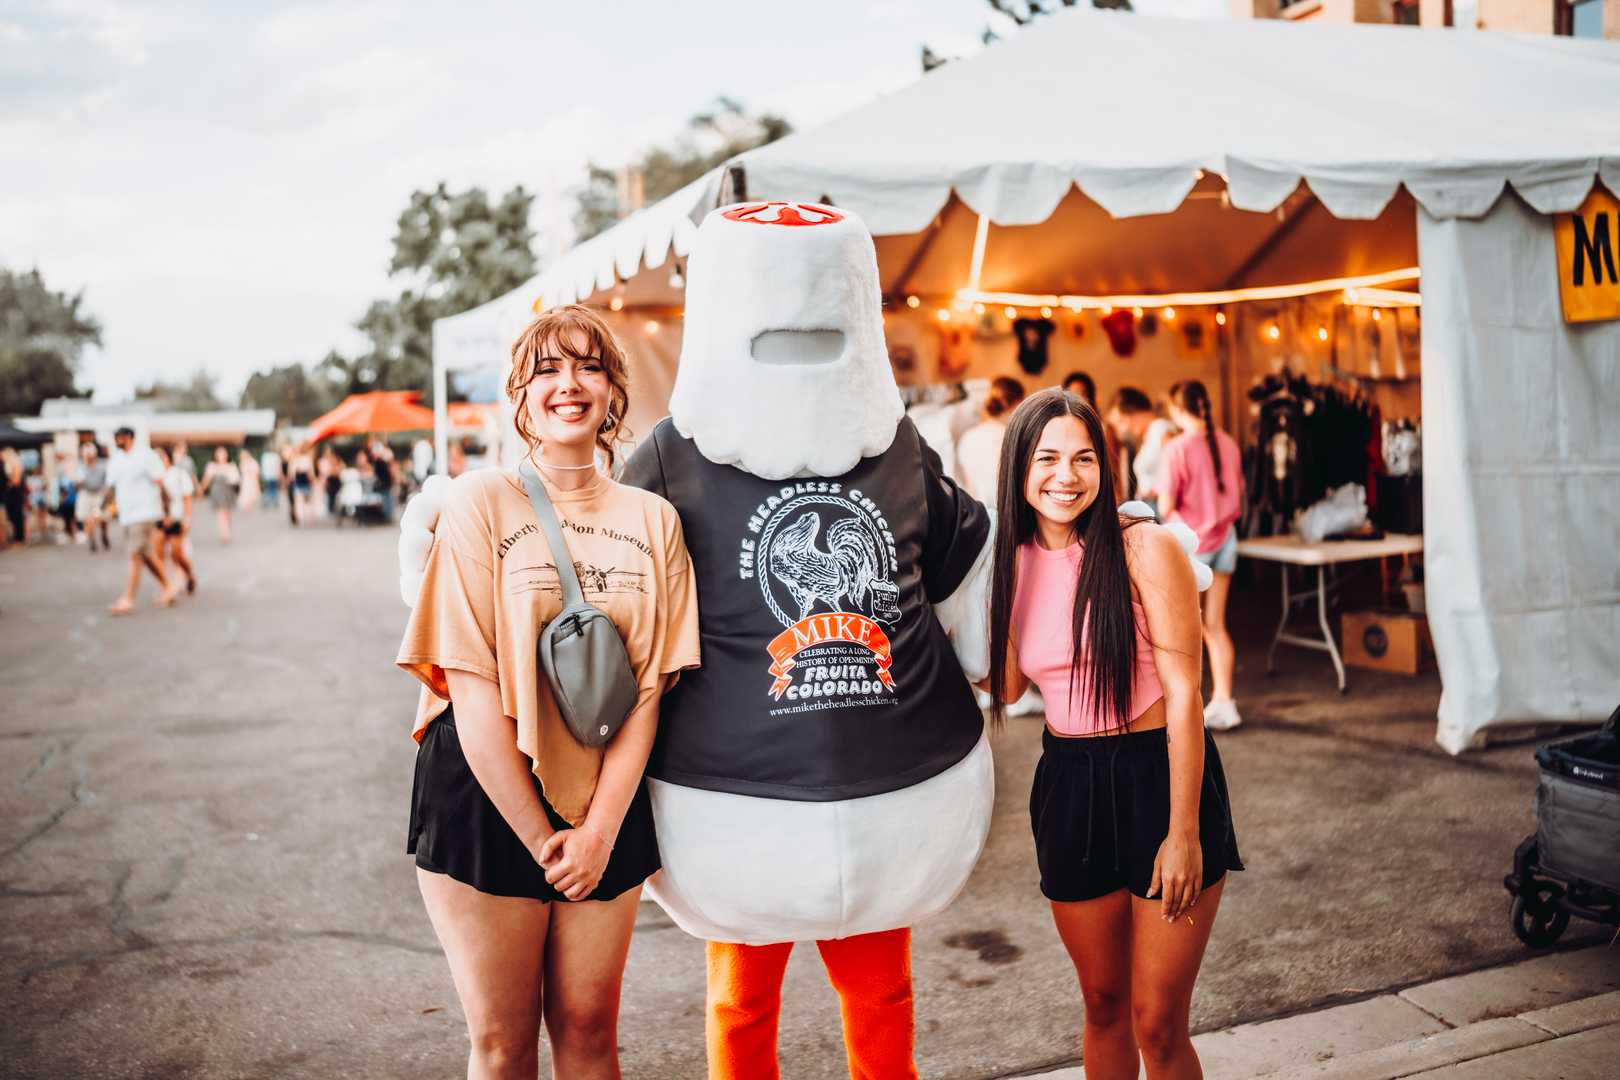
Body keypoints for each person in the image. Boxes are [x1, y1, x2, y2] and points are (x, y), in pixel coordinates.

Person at [396, 304, 700, 1080]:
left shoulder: (655, 519)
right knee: (503, 1045)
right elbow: (468, 686)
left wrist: (597, 833)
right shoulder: (478, 501)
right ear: (520, 393)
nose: (571, 385)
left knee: (592, 1033)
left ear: (613, 391)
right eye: (548, 370)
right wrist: (542, 840)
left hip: (605, 796)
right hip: (487, 791)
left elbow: (647, 691)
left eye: (590, 367)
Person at [984, 387, 1242, 1080]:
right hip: (1068, 785)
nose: (1066, 476)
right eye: (1047, 458)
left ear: (1106, 466)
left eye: (1084, 458)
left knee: (1157, 1024)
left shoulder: (1142, 547)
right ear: (1018, 469)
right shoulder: (1007, 560)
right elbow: (1006, 689)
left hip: (1159, 777)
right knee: (1102, 1003)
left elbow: (1187, 694)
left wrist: (1183, 830)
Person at [1159, 380, 1245, 732]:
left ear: (1178, 410)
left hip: (1193, 546)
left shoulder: (1175, 448)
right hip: (1227, 539)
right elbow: (1238, 491)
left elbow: (1165, 506)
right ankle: (1225, 701)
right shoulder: (1228, 442)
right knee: (1215, 625)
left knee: (1188, 629)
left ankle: (1189, 707)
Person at [104, 427, 175, 615]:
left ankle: (127, 600)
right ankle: (169, 587)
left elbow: (161, 484)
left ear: (128, 437)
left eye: (118, 437)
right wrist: (98, 510)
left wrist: (167, 511)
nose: (116, 440)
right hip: (126, 515)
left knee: (134, 554)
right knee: (145, 554)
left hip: (146, 513)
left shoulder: (146, 455)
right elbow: (110, 488)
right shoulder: (116, 459)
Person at [955, 375, 1026, 502]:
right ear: (1016, 404)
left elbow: (971, 491)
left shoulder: (968, 437)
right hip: (1008, 515)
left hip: (979, 515)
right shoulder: (1013, 439)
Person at [1107, 386, 1178, 506]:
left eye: (1121, 420)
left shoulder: (1160, 428)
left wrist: (1157, 489)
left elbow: (1178, 466)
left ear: (1134, 410)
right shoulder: (1148, 434)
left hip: (1157, 504)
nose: (1123, 429)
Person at [154, 446, 197, 594]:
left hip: (176, 518)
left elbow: (188, 499)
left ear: (167, 457)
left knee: (177, 553)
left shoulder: (178, 474)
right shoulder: (152, 477)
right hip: (158, 520)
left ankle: (189, 575)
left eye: (161, 456)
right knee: (158, 554)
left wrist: (187, 519)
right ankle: (166, 586)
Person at [197, 446, 241, 544]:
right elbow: (206, 479)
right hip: (218, 492)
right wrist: (201, 490)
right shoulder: (212, 466)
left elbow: (236, 479)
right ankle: (225, 535)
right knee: (221, 513)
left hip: (229, 492)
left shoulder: (231, 465)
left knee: (228, 514)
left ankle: (227, 530)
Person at [76, 442, 109, 552]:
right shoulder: (81, 466)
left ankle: (104, 534)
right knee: (89, 519)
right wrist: (78, 483)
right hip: (87, 494)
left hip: (98, 494)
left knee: (102, 519)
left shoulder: (102, 465)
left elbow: (107, 480)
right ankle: (92, 540)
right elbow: (77, 482)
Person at [290, 446, 315, 525]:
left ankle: (300, 519)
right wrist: (313, 481)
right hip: (306, 482)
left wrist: (291, 481)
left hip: (298, 482)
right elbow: (311, 473)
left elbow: (292, 473)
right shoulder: (308, 459)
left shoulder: (296, 459)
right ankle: (311, 517)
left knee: (298, 502)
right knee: (309, 501)